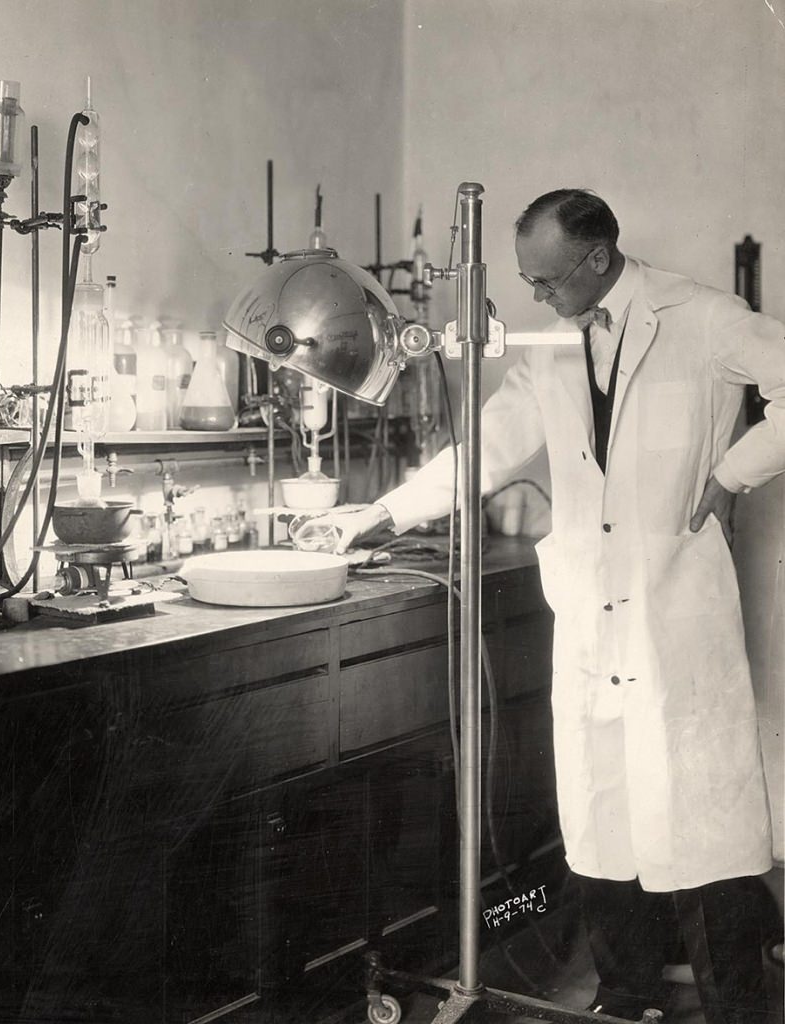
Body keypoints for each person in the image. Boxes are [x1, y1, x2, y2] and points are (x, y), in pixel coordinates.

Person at [318, 190, 785, 1024]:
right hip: (591, 612)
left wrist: (730, 474)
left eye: (546, 282)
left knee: (698, 820)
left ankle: (736, 1010)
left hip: (674, 607)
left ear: (597, 259)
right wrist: (383, 513)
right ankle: (626, 994)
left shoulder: (704, 317)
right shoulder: (551, 346)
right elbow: (488, 446)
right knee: (601, 812)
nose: (536, 298)